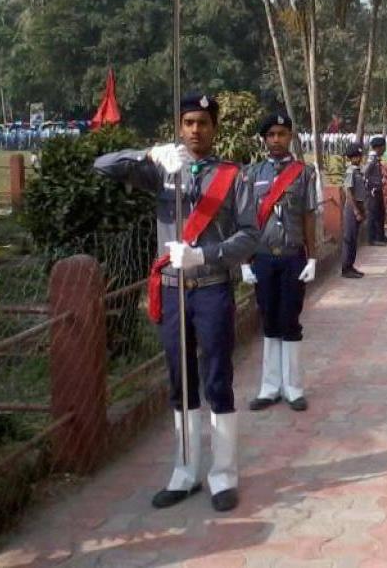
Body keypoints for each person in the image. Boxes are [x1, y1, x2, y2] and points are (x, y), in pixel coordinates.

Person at [94, 93, 258, 512]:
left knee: (218, 378)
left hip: (211, 286)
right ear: (179, 127)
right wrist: (148, 152)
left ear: (214, 127)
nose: (195, 130)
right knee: (179, 380)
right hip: (171, 290)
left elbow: (250, 235)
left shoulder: (233, 176)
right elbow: (104, 166)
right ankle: (185, 471)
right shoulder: (162, 171)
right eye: (187, 123)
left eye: (202, 122)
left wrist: (207, 254)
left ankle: (222, 475)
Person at [240, 113, 318, 413]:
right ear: (264, 138)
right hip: (262, 256)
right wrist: (244, 261)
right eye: (271, 134)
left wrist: (312, 256)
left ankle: (294, 388)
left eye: (281, 134)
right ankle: (269, 387)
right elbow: (245, 219)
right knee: (269, 319)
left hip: (291, 256)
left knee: (290, 319)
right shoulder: (251, 172)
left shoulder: (304, 173)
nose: (276, 139)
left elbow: (309, 215)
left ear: (290, 137)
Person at [341, 143, 366, 278]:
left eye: (359, 156)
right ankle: (346, 268)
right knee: (349, 238)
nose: (359, 158)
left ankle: (351, 265)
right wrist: (356, 211)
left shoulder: (358, 171)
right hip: (352, 208)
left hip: (359, 206)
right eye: (356, 156)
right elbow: (349, 192)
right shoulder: (350, 171)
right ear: (351, 157)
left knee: (354, 238)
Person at [364, 137, 387, 246]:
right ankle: (372, 239)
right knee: (373, 215)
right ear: (378, 148)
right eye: (383, 147)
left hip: (378, 189)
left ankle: (381, 236)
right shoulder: (372, 159)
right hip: (372, 191)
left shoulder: (376, 158)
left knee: (381, 213)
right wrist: (371, 185)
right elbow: (365, 173)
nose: (384, 149)